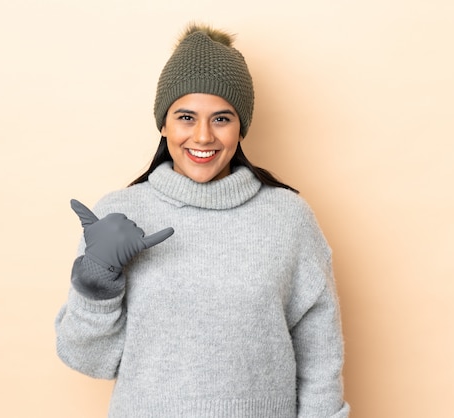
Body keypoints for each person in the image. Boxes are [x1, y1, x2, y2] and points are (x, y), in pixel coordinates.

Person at [55, 23, 350, 418]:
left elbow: (320, 357)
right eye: (186, 117)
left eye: (222, 119)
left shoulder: (288, 219)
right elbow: (87, 360)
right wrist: (96, 284)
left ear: (241, 126)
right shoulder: (120, 215)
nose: (203, 136)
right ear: (163, 124)